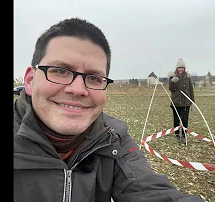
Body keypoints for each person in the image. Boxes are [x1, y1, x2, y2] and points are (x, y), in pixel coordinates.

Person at [13, 18, 204, 202]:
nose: (79, 90)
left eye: (94, 78)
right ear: (30, 80)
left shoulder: (112, 139)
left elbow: (149, 190)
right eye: (61, 71)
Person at [168, 58, 195, 143]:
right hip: (176, 103)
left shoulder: (187, 77)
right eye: (179, 68)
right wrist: (172, 82)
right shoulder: (172, 77)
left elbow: (191, 90)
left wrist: (192, 102)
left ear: (184, 69)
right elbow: (171, 89)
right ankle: (177, 135)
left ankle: (184, 135)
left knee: (185, 120)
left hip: (185, 103)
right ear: (176, 68)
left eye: (182, 68)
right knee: (176, 120)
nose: (181, 69)